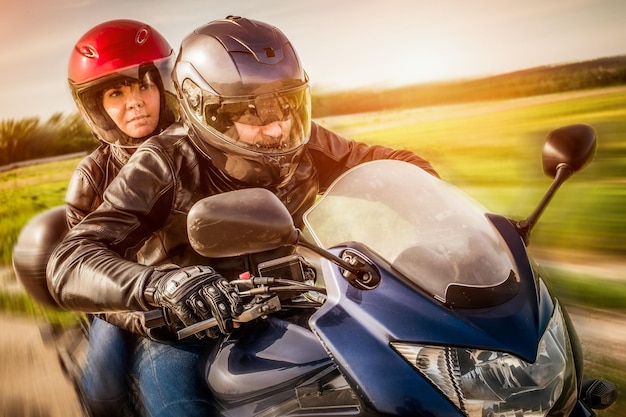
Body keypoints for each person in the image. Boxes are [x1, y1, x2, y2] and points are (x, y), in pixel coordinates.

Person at [47, 16, 439, 417]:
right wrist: (164, 287)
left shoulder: (295, 137)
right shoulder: (163, 161)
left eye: (284, 104)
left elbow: (378, 162)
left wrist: (447, 210)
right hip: (186, 327)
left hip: (294, 299)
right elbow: (70, 260)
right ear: (209, 112)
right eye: (252, 112)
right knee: (153, 401)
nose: (276, 127)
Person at [64, 19, 177, 417]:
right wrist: (145, 307)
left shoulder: (194, 148)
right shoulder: (91, 177)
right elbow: (85, 276)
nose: (136, 101)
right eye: (116, 92)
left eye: (145, 84)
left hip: (197, 289)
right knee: (105, 390)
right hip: (126, 296)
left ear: (164, 85)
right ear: (96, 105)